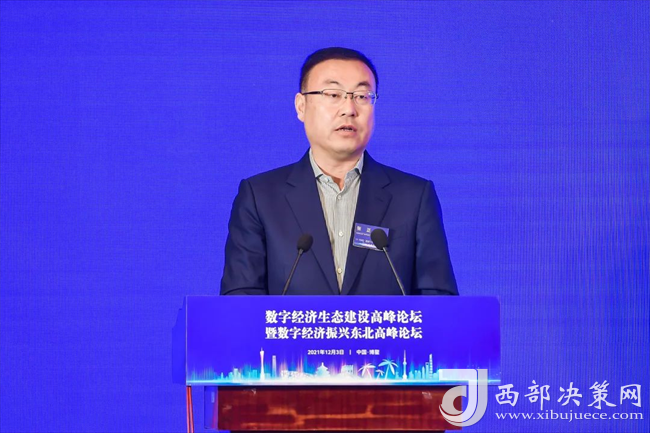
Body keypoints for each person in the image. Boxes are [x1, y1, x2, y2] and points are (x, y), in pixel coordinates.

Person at [220, 47, 458, 296]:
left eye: (362, 96)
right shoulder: (260, 197)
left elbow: (439, 300)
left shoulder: (413, 197)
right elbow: (240, 299)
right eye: (333, 94)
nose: (349, 109)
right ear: (301, 106)